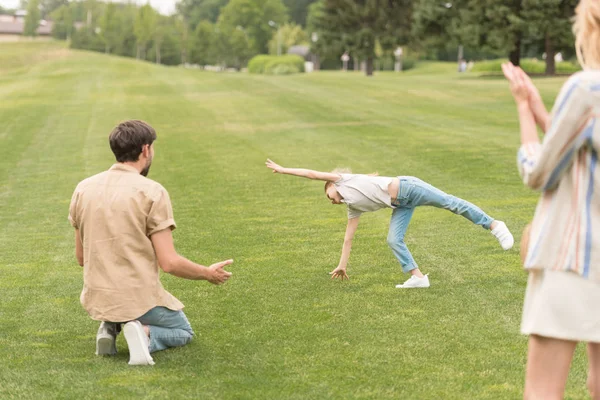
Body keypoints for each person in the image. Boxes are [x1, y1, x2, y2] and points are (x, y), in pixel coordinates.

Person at [68, 120, 232, 365]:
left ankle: (109, 327)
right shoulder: (151, 191)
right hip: (137, 299)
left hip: (97, 296)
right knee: (183, 332)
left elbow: (81, 258)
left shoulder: (83, 188)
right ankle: (143, 335)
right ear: (145, 150)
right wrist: (207, 274)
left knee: (120, 301)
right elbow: (170, 263)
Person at [502, 1, 600, 397]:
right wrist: (549, 117)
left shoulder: (587, 87)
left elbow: (538, 172)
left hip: (572, 258)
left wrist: (525, 110)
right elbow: (586, 150)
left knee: (542, 391)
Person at [265, 159, 514, 288]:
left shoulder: (343, 180)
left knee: (451, 203)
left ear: (332, 186)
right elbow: (348, 239)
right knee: (393, 239)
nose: (331, 201)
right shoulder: (353, 207)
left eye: (327, 195)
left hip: (409, 187)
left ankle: (494, 225)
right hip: (401, 204)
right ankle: (418, 277)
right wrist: (341, 265)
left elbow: (312, 174)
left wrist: (284, 169)